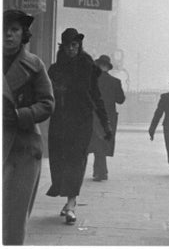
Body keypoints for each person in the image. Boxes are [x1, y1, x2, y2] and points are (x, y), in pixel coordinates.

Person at [46, 28, 112, 225]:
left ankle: (71, 204)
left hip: (81, 122)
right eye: (68, 45)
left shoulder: (88, 67)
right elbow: (44, 95)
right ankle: (67, 198)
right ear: (63, 46)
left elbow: (96, 96)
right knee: (59, 161)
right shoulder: (55, 70)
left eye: (75, 45)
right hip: (59, 122)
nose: (71, 49)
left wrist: (105, 123)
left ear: (79, 45)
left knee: (76, 160)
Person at [3, 9, 55, 245]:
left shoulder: (34, 65)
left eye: (14, 30)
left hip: (23, 148)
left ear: (23, 34)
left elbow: (47, 103)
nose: (8, 35)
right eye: (4, 30)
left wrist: (20, 115)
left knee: (14, 215)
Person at [88, 54, 125, 181]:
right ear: (108, 68)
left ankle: (100, 171)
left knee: (96, 142)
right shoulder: (115, 82)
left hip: (94, 116)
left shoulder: (91, 80)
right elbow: (121, 100)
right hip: (109, 117)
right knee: (103, 142)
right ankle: (101, 171)